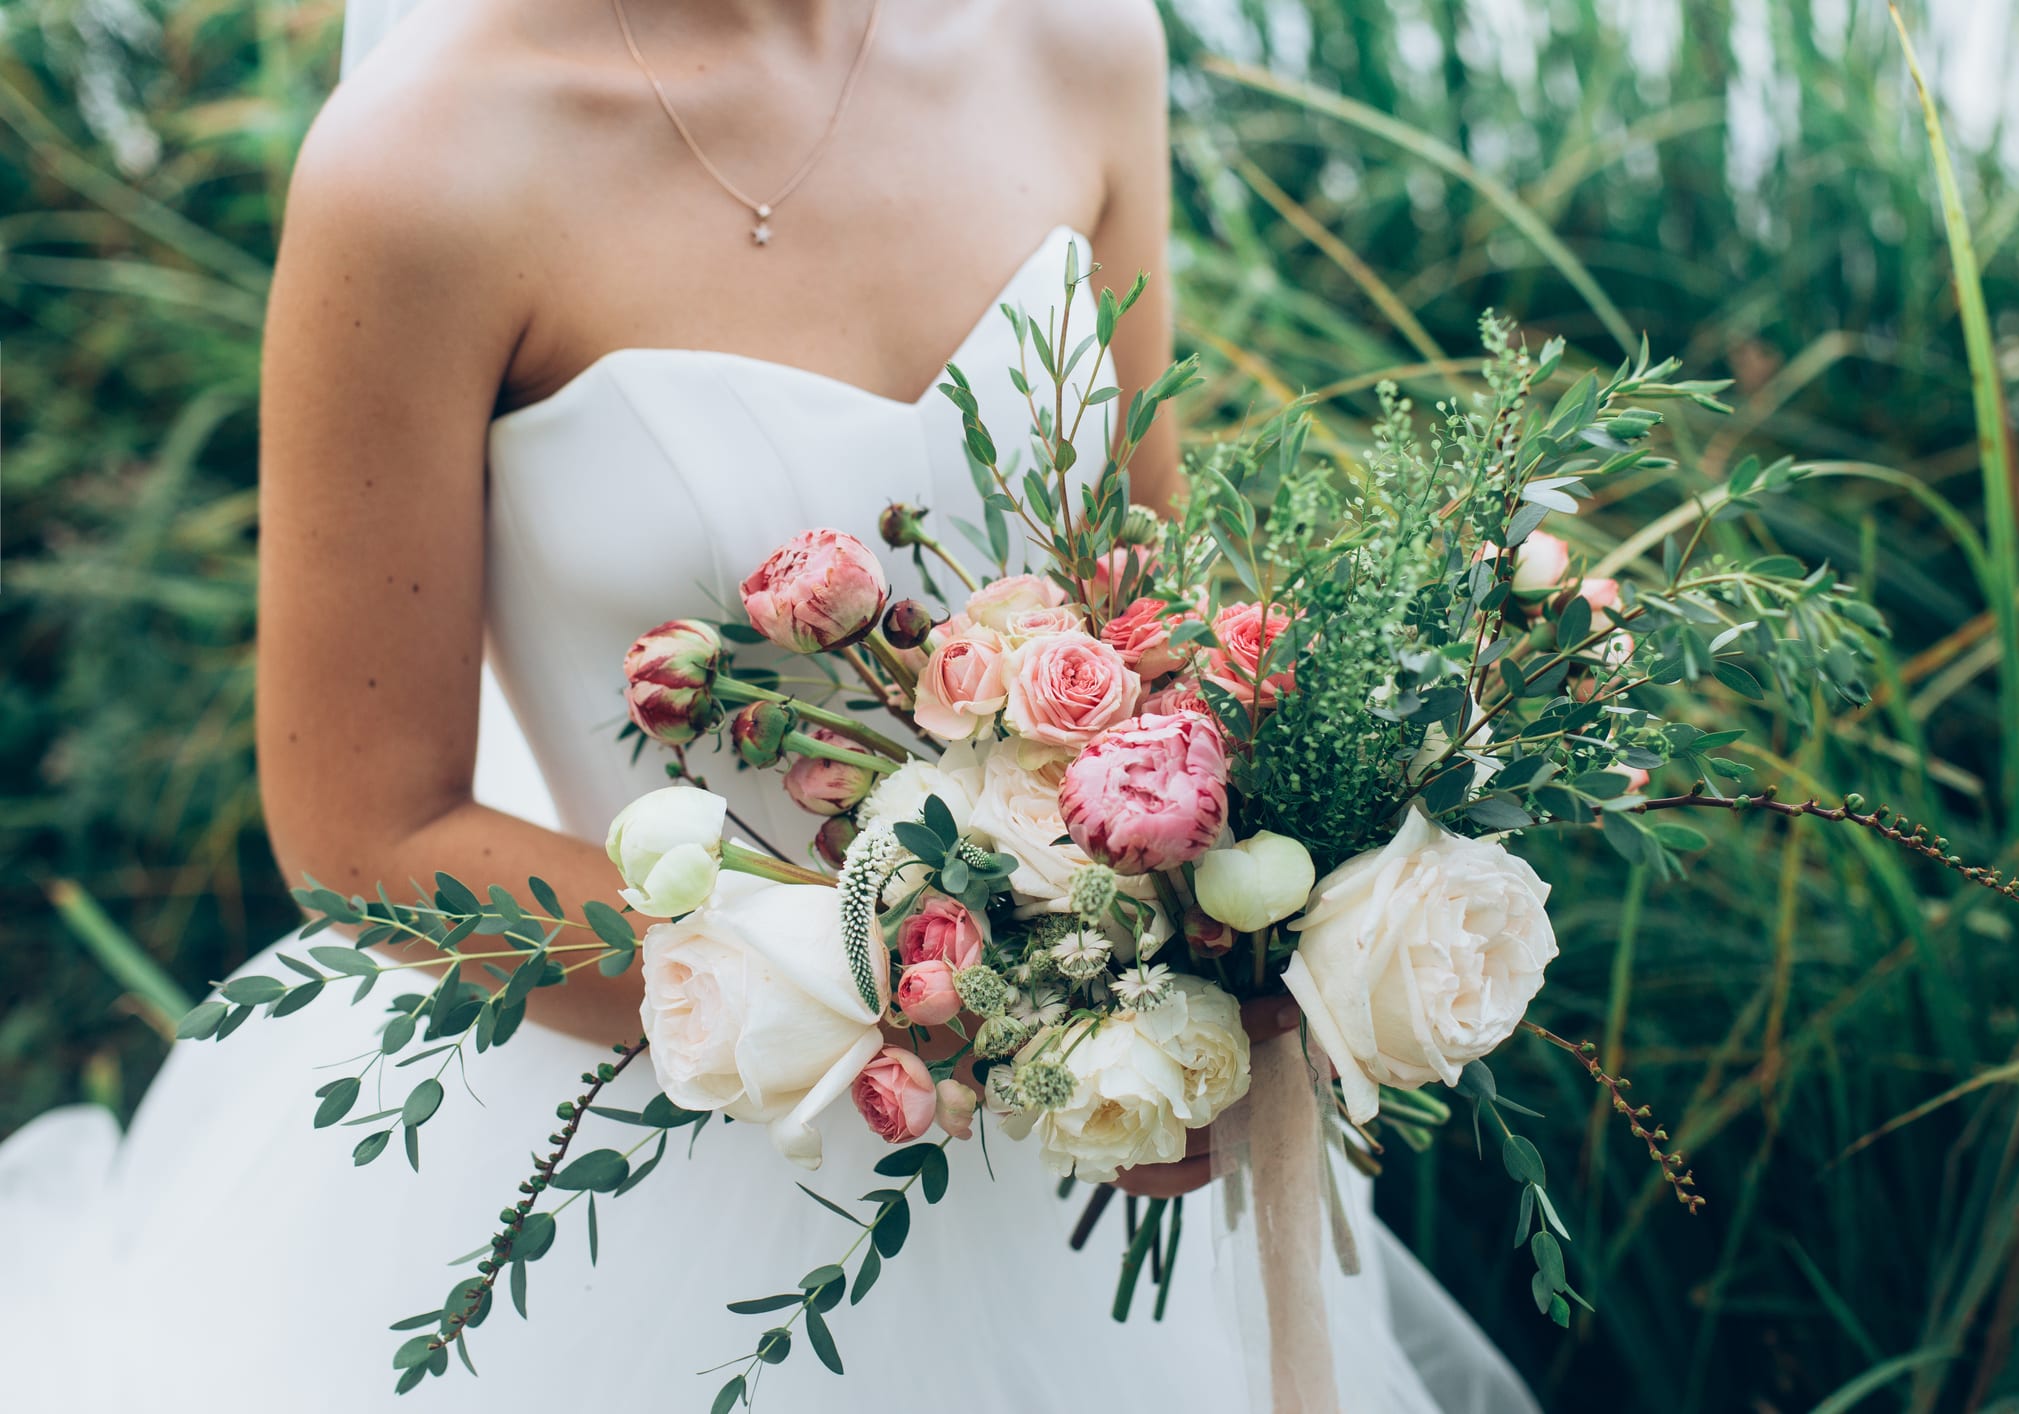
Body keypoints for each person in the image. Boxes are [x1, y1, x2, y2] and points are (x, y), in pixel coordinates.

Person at [0, 2, 1540, 1408]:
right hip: (661, 1133)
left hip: (1083, 1150)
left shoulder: (1080, 41)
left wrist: (1220, 940)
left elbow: (1143, 604)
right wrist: (917, 1005)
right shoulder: (420, 166)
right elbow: (362, 825)